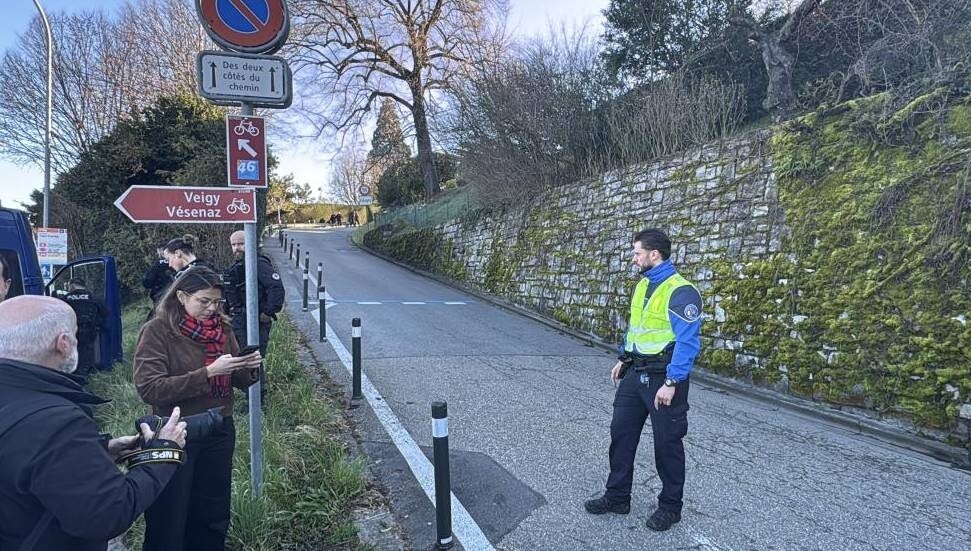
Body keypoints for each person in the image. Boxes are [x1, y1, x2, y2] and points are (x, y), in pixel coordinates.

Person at [0, 295, 187, 551]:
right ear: (64, 343)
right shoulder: (56, 422)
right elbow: (107, 514)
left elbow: (22, 459)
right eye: (76, 333)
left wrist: (96, 451)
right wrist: (163, 454)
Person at [133, 266, 261, 551]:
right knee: (170, 516)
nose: (211, 309)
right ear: (181, 296)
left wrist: (248, 368)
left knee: (213, 514)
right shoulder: (157, 331)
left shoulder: (223, 329)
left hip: (219, 429)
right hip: (173, 432)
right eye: (204, 301)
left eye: (216, 302)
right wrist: (208, 373)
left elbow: (237, 381)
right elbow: (150, 389)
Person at [585, 228, 703, 532]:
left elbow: (687, 342)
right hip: (635, 373)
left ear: (655, 254)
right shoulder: (643, 285)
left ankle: (670, 507)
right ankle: (617, 497)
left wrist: (673, 382)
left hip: (664, 377)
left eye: (637, 253)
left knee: (667, 444)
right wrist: (624, 358)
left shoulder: (681, 290)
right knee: (621, 435)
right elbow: (636, 327)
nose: (633, 258)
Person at [224, 230, 285, 398]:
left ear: (250, 243)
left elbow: (276, 288)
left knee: (252, 359)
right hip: (239, 320)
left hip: (255, 320)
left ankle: (258, 398)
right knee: (242, 357)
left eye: (241, 244)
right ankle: (250, 395)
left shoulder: (258, 263)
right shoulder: (236, 267)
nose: (237, 248)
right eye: (234, 245)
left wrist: (267, 312)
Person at [61, 278, 108, 377]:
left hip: (73, 331)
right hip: (89, 330)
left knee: (72, 351)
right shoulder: (93, 297)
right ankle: (86, 374)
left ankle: (73, 373)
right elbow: (105, 312)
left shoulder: (66, 298)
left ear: (72, 286)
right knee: (87, 352)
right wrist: (97, 324)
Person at [143, 241, 175, 306]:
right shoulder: (179, 260)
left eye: (158, 253)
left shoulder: (157, 265)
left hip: (164, 297)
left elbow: (147, 283)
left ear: (162, 252)